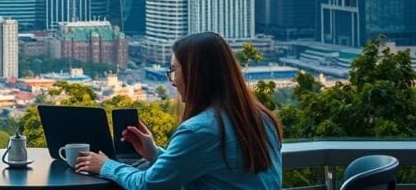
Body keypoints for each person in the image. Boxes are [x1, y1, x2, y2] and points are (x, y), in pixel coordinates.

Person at [75, 32, 282, 189]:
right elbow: (217, 170)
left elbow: (148, 185)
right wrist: (155, 154)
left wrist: (106, 166)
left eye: (174, 71)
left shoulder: (200, 130)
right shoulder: (261, 119)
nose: (172, 81)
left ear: (196, 74)